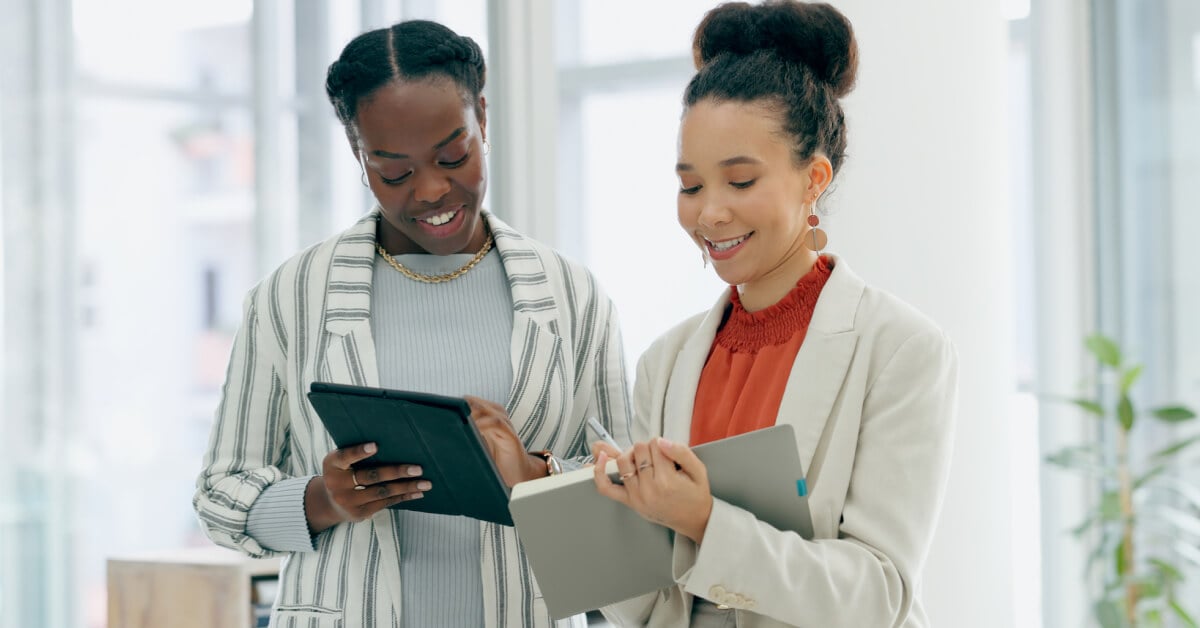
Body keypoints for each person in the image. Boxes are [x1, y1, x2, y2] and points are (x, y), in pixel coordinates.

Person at [193, 20, 631, 628]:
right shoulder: (290, 296)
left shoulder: (574, 296)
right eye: (394, 171)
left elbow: (631, 502)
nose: (431, 191)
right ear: (357, 153)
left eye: (454, 156)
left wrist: (536, 475)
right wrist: (321, 501)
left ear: (483, 115)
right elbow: (221, 494)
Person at [590, 2, 957, 626]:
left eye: (739, 182)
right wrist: (607, 513)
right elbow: (645, 604)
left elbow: (878, 595)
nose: (709, 215)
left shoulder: (899, 349)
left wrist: (704, 521)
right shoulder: (668, 360)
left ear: (813, 178)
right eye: (691, 185)